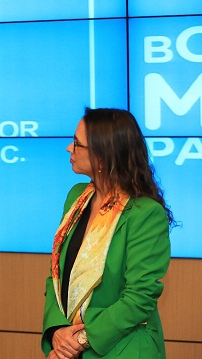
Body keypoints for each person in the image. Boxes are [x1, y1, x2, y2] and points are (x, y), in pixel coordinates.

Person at [41, 108, 174, 359]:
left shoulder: (144, 213)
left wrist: (79, 339)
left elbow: (139, 298)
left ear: (103, 156)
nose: (69, 149)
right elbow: (56, 275)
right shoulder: (77, 197)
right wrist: (58, 330)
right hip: (70, 347)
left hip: (123, 348)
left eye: (78, 144)